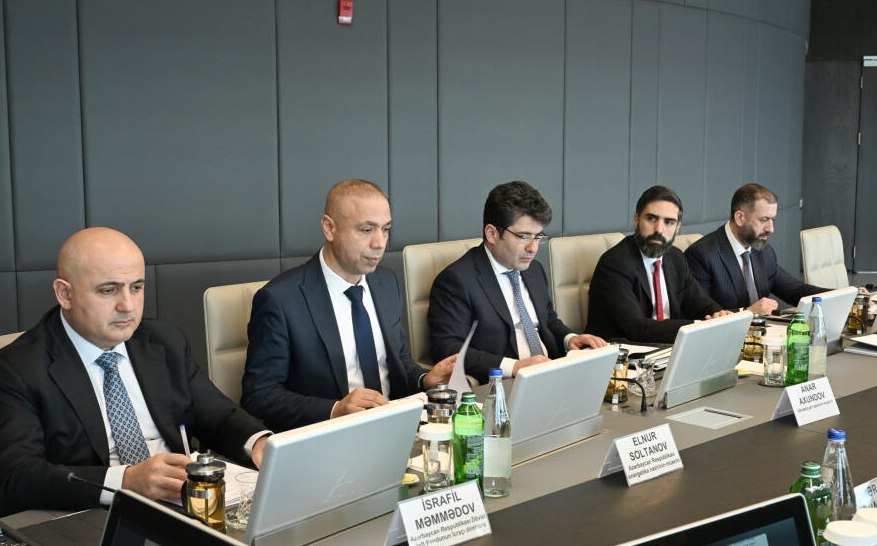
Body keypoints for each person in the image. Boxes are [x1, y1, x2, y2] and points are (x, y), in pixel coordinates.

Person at [0, 228, 269, 518]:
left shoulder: (165, 341)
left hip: (177, 507)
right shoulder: (15, 369)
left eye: (136, 287)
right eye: (108, 290)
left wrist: (259, 442)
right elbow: (17, 475)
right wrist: (126, 481)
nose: (127, 306)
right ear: (65, 294)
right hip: (84, 515)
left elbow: (217, 416)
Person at [242, 180, 456, 433]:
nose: (380, 243)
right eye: (366, 230)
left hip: (394, 427)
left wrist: (424, 379)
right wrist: (334, 409)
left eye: (385, 229)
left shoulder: (386, 282)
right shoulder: (280, 299)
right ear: (329, 228)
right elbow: (259, 394)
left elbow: (397, 360)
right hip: (326, 437)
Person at [427, 181, 606, 382]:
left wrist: (570, 339)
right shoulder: (456, 281)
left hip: (552, 372)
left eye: (537, 237)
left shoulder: (534, 270)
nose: (533, 248)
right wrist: (514, 367)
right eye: (523, 237)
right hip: (505, 385)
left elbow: (548, 321)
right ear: (492, 233)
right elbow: (448, 348)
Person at [585, 186, 731, 343]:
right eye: (651, 219)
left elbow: (703, 306)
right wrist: (699, 326)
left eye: (669, 222)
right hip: (623, 351)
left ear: (677, 228)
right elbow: (638, 329)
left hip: (667, 348)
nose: (659, 230)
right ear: (636, 220)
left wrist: (719, 315)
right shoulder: (614, 264)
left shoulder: (676, 258)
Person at [685, 183, 827, 315]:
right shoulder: (701, 255)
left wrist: (838, 295)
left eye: (772, 219)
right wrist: (747, 312)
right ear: (740, 218)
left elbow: (795, 290)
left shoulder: (764, 251)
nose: (771, 228)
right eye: (764, 220)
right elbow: (700, 315)